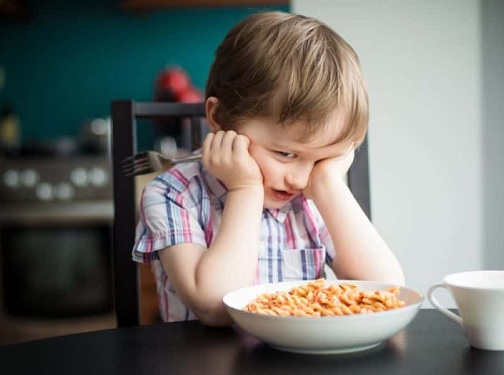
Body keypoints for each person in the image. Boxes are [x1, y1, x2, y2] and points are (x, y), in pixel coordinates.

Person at [133, 11, 404, 326]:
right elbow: (214, 307)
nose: (300, 178)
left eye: (320, 159)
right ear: (219, 119)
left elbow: (386, 291)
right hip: (204, 369)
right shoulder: (173, 195)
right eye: (286, 153)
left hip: (301, 366)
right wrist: (244, 190)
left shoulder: (314, 195)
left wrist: (330, 184)